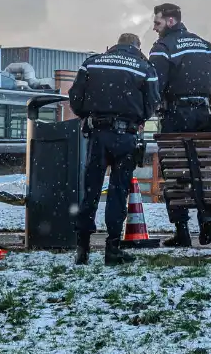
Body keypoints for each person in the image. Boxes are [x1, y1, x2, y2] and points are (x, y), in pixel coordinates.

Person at [68, 32, 160, 265]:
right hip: (126, 136)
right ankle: (112, 247)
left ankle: (83, 247)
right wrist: (137, 117)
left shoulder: (93, 62)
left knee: (91, 191)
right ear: (137, 47)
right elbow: (152, 103)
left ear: (115, 45)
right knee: (119, 192)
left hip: (98, 134)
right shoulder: (143, 67)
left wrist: (89, 114)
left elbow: (75, 98)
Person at [149, 2, 211, 247]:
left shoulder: (163, 48)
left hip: (177, 116)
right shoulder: (205, 46)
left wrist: (153, 108)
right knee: (202, 171)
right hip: (205, 116)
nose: (154, 27)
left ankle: (182, 230)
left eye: (157, 22)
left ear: (170, 21)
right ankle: (205, 217)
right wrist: (208, 109)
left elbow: (154, 87)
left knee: (175, 172)